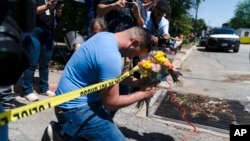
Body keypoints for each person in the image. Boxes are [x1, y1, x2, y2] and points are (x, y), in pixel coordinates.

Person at [50, 27, 157, 140]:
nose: (132, 57)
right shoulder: (112, 58)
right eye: (136, 54)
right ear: (134, 43)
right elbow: (111, 103)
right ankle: (63, 134)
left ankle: (64, 133)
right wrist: (143, 94)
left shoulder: (104, 36)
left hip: (65, 102)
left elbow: (109, 76)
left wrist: (138, 83)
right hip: (74, 110)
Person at [21, 0, 64, 102]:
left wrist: (58, 10)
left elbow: (56, 18)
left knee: (45, 63)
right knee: (32, 61)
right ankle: (27, 90)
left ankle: (44, 88)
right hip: (34, 31)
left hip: (48, 32)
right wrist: (47, 6)